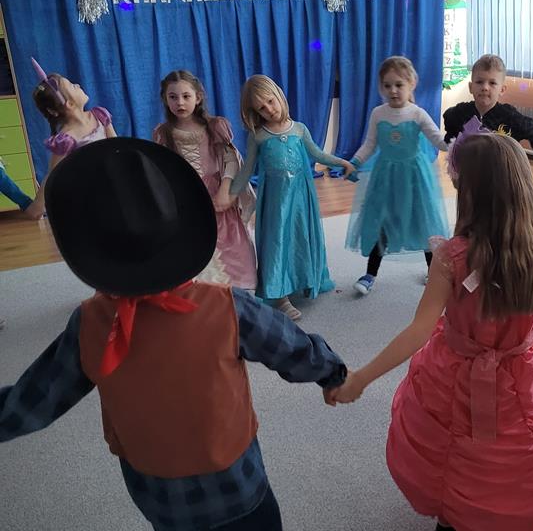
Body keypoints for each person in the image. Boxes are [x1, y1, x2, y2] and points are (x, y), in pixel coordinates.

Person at [0, 137, 348, 530]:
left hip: (160, 499)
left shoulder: (89, 324)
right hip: (239, 488)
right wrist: (332, 373)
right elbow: (291, 348)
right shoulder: (226, 306)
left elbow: (34, 400)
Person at [328, 133, 533, 531]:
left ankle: (458, 516)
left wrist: (361, 378)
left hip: (455, 376)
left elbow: (418, 330)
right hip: (527, 380)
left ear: (470, 194)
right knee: (520, 457)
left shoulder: (451, 256)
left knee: (457, 453)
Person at [229, 75, 354, 320]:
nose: (269, 110)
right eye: (261, 108)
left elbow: (318, 154)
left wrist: (342, 162)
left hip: (300, 199)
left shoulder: (299, 129)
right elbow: (246, 170)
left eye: (270, 101)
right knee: (277, 242)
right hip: (275, 203)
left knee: (300, 238)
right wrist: (230, 194)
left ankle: (303, 280)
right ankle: (280, 296)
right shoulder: (259, 136)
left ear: (279, 95)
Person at [346, 56, 449, 295]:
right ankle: (370, 274)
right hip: (386, 179)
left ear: (412, 84)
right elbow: (370, 143)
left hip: (415, 179)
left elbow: (438, 139)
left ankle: (434, 272)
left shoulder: (417, 114)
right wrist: (355, 162)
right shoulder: (378, 114)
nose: (393, 90)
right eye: (387, 85)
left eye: (399, 85)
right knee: (381, 223)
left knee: (424, 224)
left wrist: (458, 145)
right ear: (381, 87)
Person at [153, 70, 257, 289]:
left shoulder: (215, 126)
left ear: (198, 97)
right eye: (173, 97)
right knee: (193, 250)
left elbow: (230, 160)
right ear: (165, 99)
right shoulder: (163, 133)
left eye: (186, 96)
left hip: (217, 194)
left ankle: (236, 289)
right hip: (187, 200)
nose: (180, 102)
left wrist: (226, 190)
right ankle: (203, 290)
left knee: (234, 248)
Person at [442, 53, 533, 179]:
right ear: (471, 87)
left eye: (492, 83)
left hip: (503, 180)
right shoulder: (459, 113)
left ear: (502, 89)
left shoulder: (510, 117)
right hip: (469, 179)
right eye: (479, 82)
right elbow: (450, 131)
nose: (485, 87)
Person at [25, 58, 117, 219]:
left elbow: (116, 145)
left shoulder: (99, 115)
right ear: (69, 104)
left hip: (111, 181)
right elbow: (52, 174)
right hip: (88, 192)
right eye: (73, 86)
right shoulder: (66, 138)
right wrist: (38, 204)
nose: (78, 85)